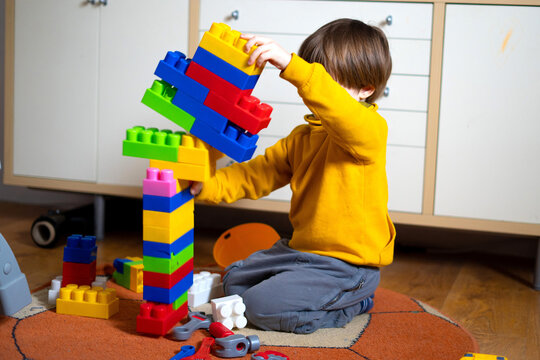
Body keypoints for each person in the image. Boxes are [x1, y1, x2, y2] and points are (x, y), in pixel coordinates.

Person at [191, 18, 396, 334]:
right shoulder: (302, 138)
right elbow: (256, 175)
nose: (313, 89)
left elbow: (342, 112)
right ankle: (302, 289)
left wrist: (292, 66)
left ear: (365, 89)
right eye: (315, 74)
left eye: (326, 81)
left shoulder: (369, 133)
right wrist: (207, 185)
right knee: (233, 280)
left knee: (259, 307)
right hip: (300, 251)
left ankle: (354, 302)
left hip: (347, 266)